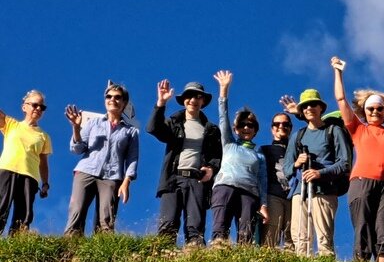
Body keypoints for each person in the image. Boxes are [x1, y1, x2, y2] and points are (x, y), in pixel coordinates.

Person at [332, 51, 384, 262]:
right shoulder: (357, 128)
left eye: (379, 108)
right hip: (361, 183)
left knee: (383, 229)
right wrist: (338, 72)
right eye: (371, 109)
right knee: (363, 228)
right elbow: (340, 99)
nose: (375, 111)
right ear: (364, 111)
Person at [146, 79, 222, 247]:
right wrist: (161, 103)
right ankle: (163, 260)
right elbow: (153, 128)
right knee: (168, 223)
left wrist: (211, 169)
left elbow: (217, 155)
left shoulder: (211, 129)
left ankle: (194, 258)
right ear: (184, 100)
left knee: (195, 225)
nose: (193, 100)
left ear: (203, 101)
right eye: (189, 96)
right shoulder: (174, 122)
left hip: (197, 180)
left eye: (198, 96)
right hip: (173, 178)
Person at [63, 83, 140, 236]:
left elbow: (132, 159)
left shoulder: (131, 131)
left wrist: (127, 181)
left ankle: (103, 253)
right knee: (76, 211)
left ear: (124, 103)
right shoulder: (93, 123)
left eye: (118, 97)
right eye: (109, 96)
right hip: (86, 171)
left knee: (106, 217)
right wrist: (76, 128)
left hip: (112, 176)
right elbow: (77, 149)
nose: (113, 100)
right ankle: (70, 251)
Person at [283, 89, 350, 257]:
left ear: (321, 108)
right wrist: (298, 163)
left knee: (324, 238)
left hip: (325, 190)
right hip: (301, 191)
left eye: (313, 104)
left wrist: (320, 173)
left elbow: (345, 162)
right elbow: (287, 168)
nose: (309, 108)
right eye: (305, 106)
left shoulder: (334, 131)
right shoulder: (298, 136)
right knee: (300, 237)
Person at [209, 70, 268, 246]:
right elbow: (223, 117)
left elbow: (262, 181)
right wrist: (223, 89)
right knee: (220, 228)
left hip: (249, 193)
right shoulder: (229, 143)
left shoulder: (259, 155)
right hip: (225, 187)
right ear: (235, 129)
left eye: (250, 125)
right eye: (242, 125)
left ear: (256, 129)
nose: (246, 128)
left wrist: (263, 205)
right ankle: (218, 256)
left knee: (246, 233)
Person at [0, 90, 52, 235]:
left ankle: (17, 246)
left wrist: (45, 183)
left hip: (30, 177)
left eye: (42, 107)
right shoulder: (11, 124)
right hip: (6, 170)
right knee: (0, 207)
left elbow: (43, 162)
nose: (38, 109)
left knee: (24, 215)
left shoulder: (44, 136)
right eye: (35, 105)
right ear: (24, 107)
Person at [259, 112, 294, 251]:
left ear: (290, 128)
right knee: (269, 238)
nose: (281, 126)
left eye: (286, 124)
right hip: (273, 196)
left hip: (293, 197)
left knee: (292, 238)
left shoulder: (296, 150)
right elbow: (260, 177)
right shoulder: (265, 150)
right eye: (277, 124)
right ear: (272, 128)